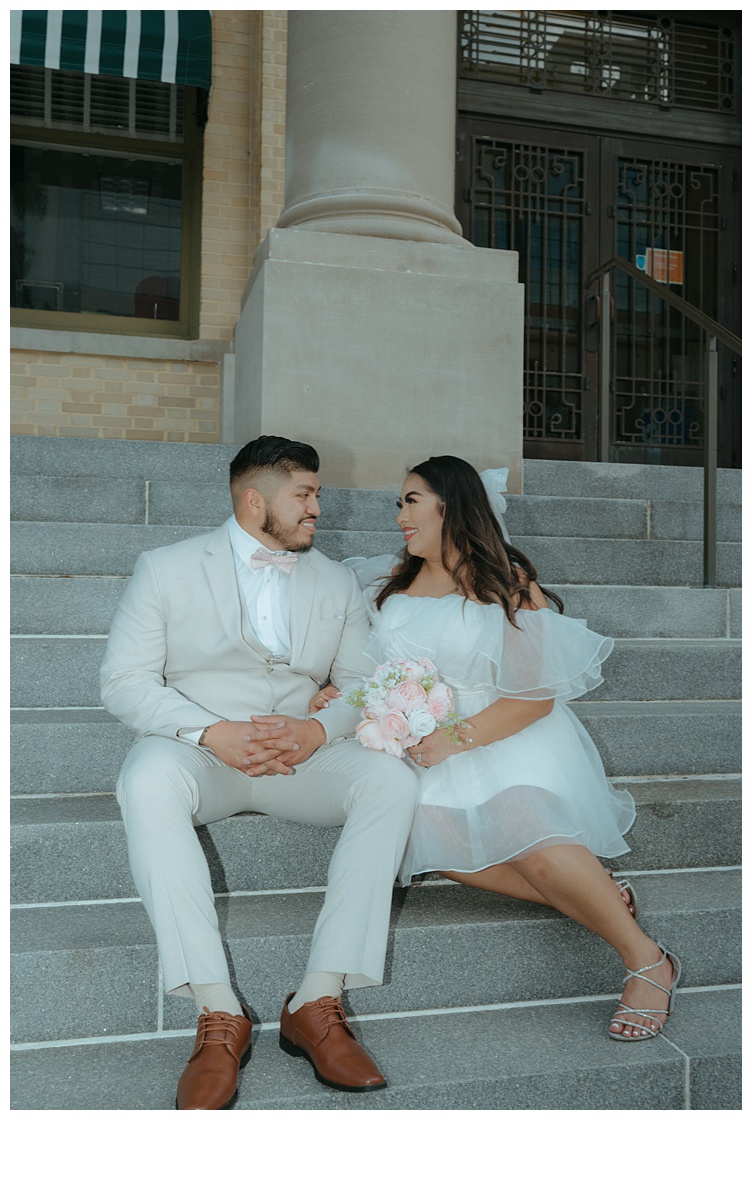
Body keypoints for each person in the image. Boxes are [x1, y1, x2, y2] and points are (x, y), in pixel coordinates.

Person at [315, 455, 681, 1042]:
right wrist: (343, 692)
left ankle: (646, 960)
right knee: (414, 836)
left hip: (503, 735)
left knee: (524, 831)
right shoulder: (391, 583)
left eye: (411, 501)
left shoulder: (507, 584)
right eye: (399, 504)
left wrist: (455, 739)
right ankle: (597, 893)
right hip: (421, 747)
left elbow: (535, 698)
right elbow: (369, 666)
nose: (400, 516)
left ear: (449, 505)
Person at [100, 435, 418, 1109]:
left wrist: (315, 730)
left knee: (390, 780)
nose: (317, 509)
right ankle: (218, 1015)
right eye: (304, 494)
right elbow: (124, 683)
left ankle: (318, 1000)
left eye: (317, 495)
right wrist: (211, 731)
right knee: (143, 778)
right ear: (254, 499)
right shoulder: (166, 568)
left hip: (299, 759)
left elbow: (363, 682)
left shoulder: (335, 581)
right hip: (204, 752)